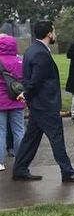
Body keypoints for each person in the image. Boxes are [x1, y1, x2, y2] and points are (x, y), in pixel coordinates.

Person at [12, 21, 74, 182]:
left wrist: (27, 94)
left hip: (37, 104)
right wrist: (26, 93)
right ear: (48, 33)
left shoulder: (32, 49)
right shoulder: (40, 53)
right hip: (45, 104)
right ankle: (68, 172)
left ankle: (19, 169)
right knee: (56, 137)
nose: (55, 34)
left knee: (31, 138)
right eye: (54, 31)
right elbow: (36, 80)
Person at [0, 33, 25, 171]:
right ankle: (21, 160)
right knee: (19, 130)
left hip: (0, 101)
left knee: (1, 131)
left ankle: (0, 162)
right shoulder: (20, 60)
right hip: (17, 98)